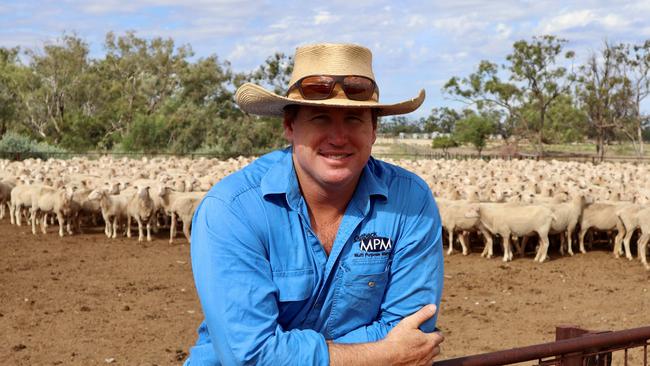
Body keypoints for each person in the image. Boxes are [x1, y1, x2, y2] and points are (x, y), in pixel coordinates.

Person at [185, 43, 444, 365]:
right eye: (320, 118)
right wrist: (381, 355)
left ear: (374, 129)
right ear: (290, 127)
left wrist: (286, 352)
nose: (338, 137)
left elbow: (411, 330)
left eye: (354, 119)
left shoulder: (410, 201)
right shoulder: (232, 209)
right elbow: (248, 356)